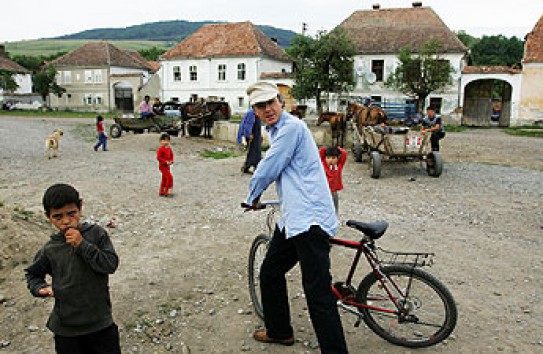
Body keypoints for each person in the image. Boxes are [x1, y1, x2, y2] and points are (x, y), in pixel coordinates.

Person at [244, 81, 348, 353]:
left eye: (271, 103)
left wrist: (252, 196)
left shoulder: (291, 128)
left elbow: (269, 166)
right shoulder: (275, 130)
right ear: (254, 111)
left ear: (281, 102)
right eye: (260, 106)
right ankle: (279, 331)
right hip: (292, 218)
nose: (267, 109)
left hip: (309, 219)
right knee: (270, 272)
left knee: (318, 293)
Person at [24, 183, 120, 354]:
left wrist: (82, 245)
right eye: (58, 217)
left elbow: (110, 264)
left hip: (100, 323)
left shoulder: (96, 234)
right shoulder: (50, 249)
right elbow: (32, 274)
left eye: (71, 213)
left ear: (80, 208)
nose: (66, 221)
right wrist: (40, 288)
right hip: (66, 329)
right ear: (48, 217)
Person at [319, 146, 347, 214]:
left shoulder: (339, 166)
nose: (331, 160)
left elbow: (344, 154)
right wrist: (328, 148)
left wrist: (337, 148)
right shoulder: (323, 164)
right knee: (324, 207)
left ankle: (335, 219)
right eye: (328, 158)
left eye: (333, 158)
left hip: (334, 191)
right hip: (324, 191)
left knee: (334, 207)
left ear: (338, 158)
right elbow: (321, 152)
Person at [236, 108, 262, 174]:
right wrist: (249, 134)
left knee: (256, 151)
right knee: (253, 151)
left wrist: (260, 135)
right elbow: (248, 124)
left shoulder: (256, 112)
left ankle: (252, 167)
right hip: (253, 136)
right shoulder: (251, 113)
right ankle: (248, 167)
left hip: (256, 135)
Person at [157, 133, 174, 197]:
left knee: (164, 178)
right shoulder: (161, 149)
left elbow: (171, 155)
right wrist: (165, 162)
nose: (165, 142)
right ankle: (168, 191)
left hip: (167, 167)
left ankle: (162, 191)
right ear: (161, 141)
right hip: (162, 166)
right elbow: (158, 157)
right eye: (164, 140)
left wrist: (171, 161)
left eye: (167, 140)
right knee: (170, 177)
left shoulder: (169, 149)